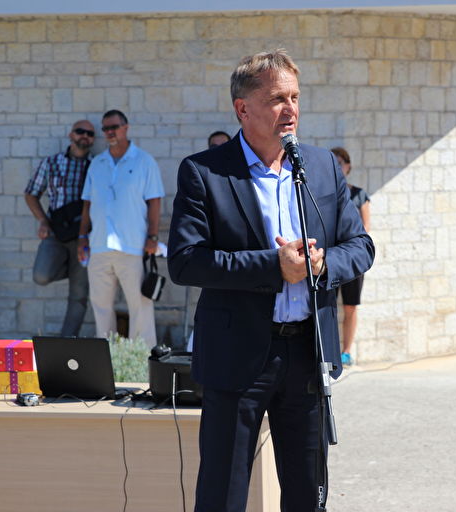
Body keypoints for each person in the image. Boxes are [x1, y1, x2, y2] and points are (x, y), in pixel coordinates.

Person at [168, 50, 374, 512]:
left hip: (307, 354)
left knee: (307, 497)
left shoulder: (321, 166)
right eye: (277, 99)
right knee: (222, 496)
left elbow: (361, 247)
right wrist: (272, 266)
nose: (291, 109)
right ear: (243, 108)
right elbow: (185, 262)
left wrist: (322, 264)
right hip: (237, 358)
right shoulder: (204, 172)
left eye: (295, 97)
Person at [77, 110, 164, 348]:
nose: (110, 132)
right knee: (101, 306)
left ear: (126, 128)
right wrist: (82, 237)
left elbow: (154, 201)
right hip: (99, 245)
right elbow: (87, 203)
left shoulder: (144, 161)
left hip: (132, 245)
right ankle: (106, 359)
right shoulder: (97, 163)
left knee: (140, 305)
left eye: (114, 127)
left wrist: (153, 236)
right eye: (105, 128)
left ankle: (143, 358)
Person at [24, 120, 94, 337]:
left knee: (79, 295)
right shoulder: (51, 162)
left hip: (84, 237)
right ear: (71, 135)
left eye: (90, 133)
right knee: (41, 275)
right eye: (80, 131)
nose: (84, 136)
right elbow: (31, 193)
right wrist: (43, 221)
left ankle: (67, 342)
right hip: (56, 232)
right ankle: (71, 269)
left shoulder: (97, 165)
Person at [330, 147, 370, 366]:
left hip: (352, 260)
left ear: (348, 167)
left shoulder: (359, 195)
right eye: (333, 163)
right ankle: (329, 352)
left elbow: (365, 228)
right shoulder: (323, 194)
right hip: (329, 258)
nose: (337, 167)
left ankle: (346, 351)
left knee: (350, 306)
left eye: (340, 163)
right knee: (327, 307)